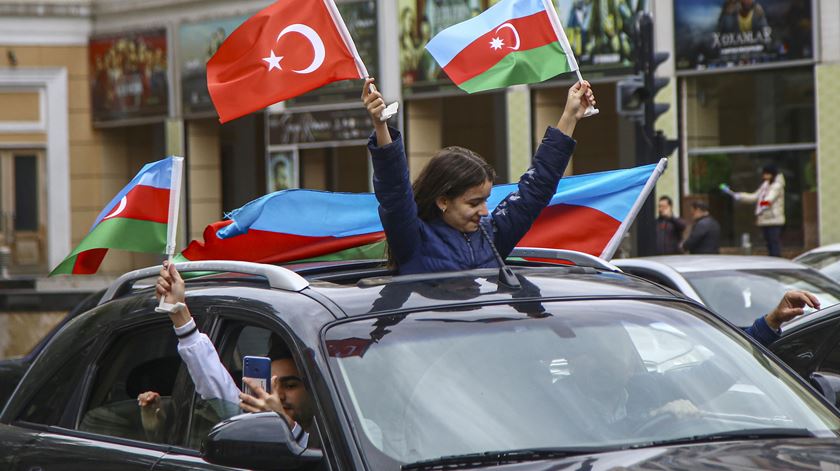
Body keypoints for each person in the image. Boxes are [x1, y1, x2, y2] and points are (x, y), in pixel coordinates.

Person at [363, 77, 595, 274]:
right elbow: (395, 192)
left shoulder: (492, 234)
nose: (485, 211)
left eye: (485, 200)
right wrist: (380, 126)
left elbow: (537, 188)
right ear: (443, 200)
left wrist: (570, 117)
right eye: (474, 202)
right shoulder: (413, 239)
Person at [144, 261, 316, 447]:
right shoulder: (253, 421)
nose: (278, 396)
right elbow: (213, 382)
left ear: (313, 391)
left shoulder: (345, 432)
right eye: (270, 387)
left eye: (290, 385)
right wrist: (178, 312)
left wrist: (287, 425)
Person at [721, 164, 785, 257]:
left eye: (766, 174)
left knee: (773, 243)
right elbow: (755, 197)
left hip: (774, 219)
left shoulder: (777, 186)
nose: (763, 176)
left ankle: (777, 260)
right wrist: (740, 196)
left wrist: (761, 205)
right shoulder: (765, 185)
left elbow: (768, 200)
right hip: (765, 219)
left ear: (771, 174)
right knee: (769, 243)